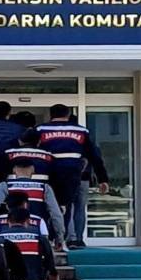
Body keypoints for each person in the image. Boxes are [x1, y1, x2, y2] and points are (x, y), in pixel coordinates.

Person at [36, 105, 109, 244]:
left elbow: (28, 146)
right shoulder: (80, 131)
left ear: (51, 115)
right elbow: (94, 156)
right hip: (72, 173)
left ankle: (48, 239)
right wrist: (102, 179)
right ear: (68, 115)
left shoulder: (41, 129)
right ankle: (61, 240)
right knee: (66, 207)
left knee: (46, 205)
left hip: (48, 173)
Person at [0, 160, 65, 245]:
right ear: (33, 170)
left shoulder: (5, 185)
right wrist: (59, 238)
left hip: (7, 232)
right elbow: (56, 215)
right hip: (37, 232)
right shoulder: (44, 188)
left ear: (14, 169)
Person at [66, 114, 110, 248]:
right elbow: (96, 159)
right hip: (84, 179)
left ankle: (71, 238)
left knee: (69, 208)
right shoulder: (86, 140)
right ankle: (79, 238)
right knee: (80, 209)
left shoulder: (67, 141)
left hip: (68, 178)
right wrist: (102, 179)